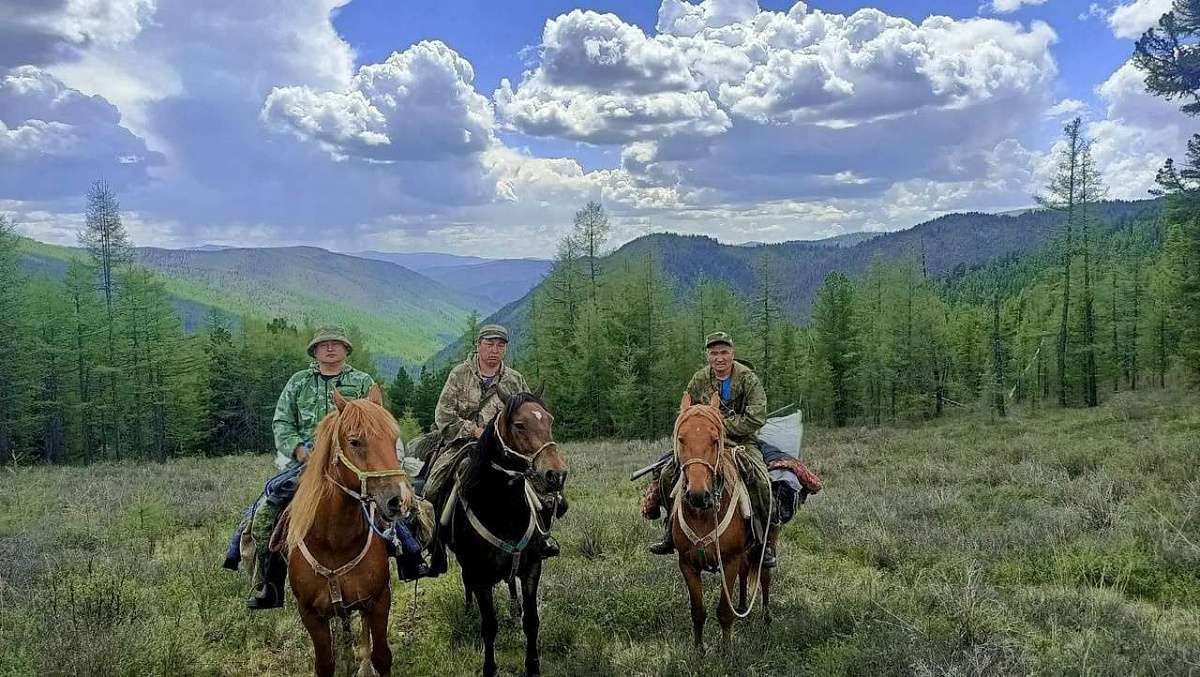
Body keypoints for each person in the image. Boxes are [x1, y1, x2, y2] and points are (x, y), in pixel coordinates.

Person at [233, 326, 429, 610]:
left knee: (400, 502)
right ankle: (269, 583)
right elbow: (282, 422)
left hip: (356, 462)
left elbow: (378, 426)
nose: (330, 348)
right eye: (323, 345)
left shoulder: (362, 382)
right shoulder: (298, 383)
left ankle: (410, 556)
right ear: (314, 351)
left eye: (336, 344)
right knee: (265, 512)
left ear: (346, 350)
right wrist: (299, 450)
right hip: (307, 463)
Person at [423, 324, 560, 574]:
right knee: (433, 486)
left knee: (546, 490)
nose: (494, 350)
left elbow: (528, 417)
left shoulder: (515, 379)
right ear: (478, 346)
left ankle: (542, 538)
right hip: (462, 444)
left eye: (500, 345)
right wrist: (474, 431)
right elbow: (443, 415)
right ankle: (436, 546)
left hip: (506, 450)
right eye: (489, 344)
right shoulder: (459, 374)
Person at [643, 331, 777, 567]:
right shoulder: (698, 380)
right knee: (665, 474)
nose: (719, 358)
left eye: (724, 352)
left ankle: (763, 541)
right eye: (714, 353)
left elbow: (757, 416)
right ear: (708, 356)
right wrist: (699, 429)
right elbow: (685, 412)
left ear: (732, 353)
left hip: (742, 441)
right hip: (701, 443)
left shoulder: (748, 379)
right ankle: (669, 532)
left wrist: (719, 426)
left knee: (761, 481)